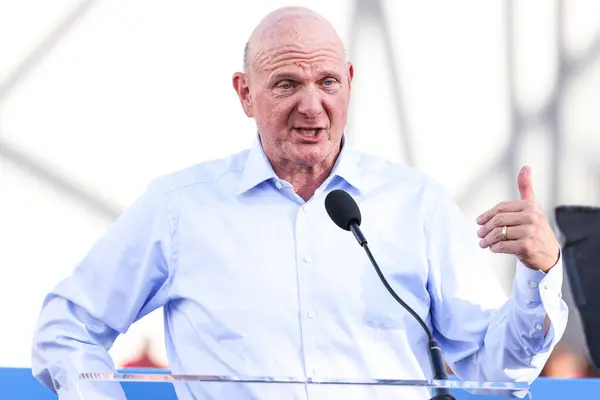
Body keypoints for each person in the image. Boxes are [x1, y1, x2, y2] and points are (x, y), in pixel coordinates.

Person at [31, 6, 568, 400]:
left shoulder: (417, 205)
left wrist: (540, 275)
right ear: (245, 93)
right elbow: (67, 326)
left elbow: (496, 374)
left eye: (327, 81)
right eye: (287, 84)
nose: (312, 106)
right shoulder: (180, 209)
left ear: (350, 83)